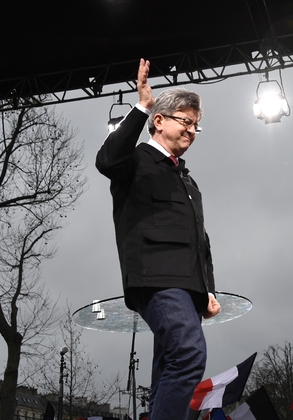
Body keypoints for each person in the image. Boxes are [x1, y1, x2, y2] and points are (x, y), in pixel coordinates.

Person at [96, 59, 221, 420]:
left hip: (188, 288)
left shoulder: (189, 182)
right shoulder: (134, 161)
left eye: (196, 125)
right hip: (155, 280)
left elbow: (201, 241)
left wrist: (208, 289)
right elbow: (106, 159)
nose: (192, 130)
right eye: (185, 120)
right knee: (189, 353)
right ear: (160, 121)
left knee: (169, 366)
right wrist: (141, 107)